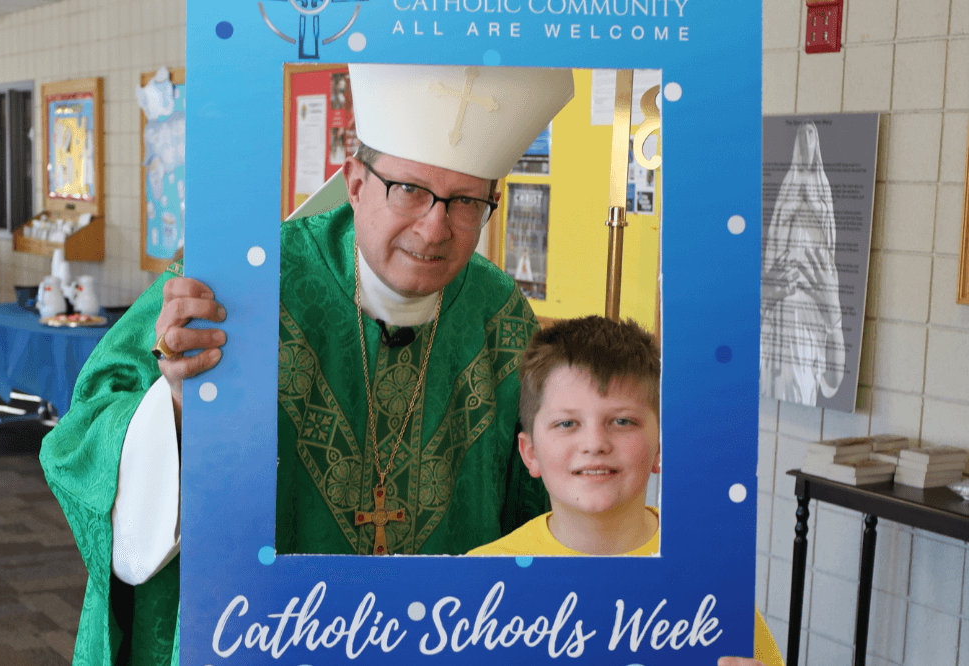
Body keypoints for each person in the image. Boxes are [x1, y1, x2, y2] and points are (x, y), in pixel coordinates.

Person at [40, 63, 574, 664]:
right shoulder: (238, 282)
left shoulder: (499, 315)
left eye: (467, 202)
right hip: (256, 634)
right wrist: (179, 407)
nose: (435, 227)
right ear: (354, 180)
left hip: (441, 637)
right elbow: (80, 440)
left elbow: (541, 493)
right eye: (410, 190)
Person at [469, 316, 785, 666]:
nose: (595, 443)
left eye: (622, 421)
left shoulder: (707, 573)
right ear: (530, 453)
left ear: (660, 448)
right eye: (567, 423)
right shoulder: (481, 579)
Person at [760, 121, 845, 407]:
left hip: (809, 290)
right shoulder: (789, 200)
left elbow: (834, 380)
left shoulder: (819, 204)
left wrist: (833, 317)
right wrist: (763, 299)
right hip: (781, 301)